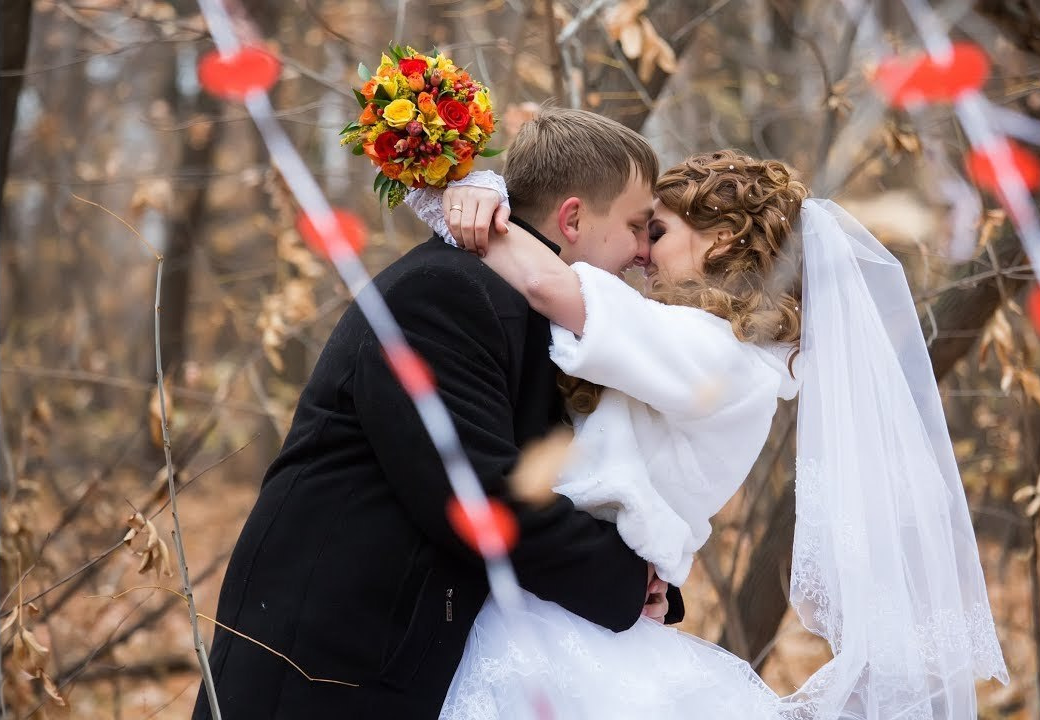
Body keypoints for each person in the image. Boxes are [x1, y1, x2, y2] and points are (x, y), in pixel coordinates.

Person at [423, 150, 1009, 719]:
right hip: (569, 597)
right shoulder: (712, 349)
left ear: (723, 238)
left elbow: (550, 287)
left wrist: (468, 200)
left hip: (564, 621)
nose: (640, 252)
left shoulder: (722, 356)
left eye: (656, 230)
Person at [192, 106, 686, 720]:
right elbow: (476, 492)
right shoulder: (442, 295)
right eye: (639, 226)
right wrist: (624, 580)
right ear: (575, 218)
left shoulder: (535, 317)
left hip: (401, 658)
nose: (644, 253)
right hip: (324, 666)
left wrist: (650, 581)